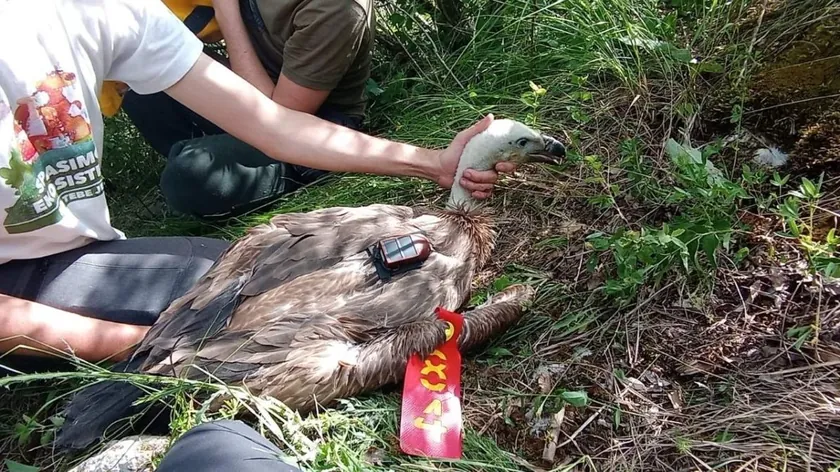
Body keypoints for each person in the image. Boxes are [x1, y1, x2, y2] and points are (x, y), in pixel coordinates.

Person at [0, 0, 515, 368]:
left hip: (67, 255)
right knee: (244, 320)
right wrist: (157, 351)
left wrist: (433, 164)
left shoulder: (107, 11)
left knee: (259, 286)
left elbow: (273, 122)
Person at [106, 0, 378, 219]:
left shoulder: (337, 8)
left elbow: (278, 121)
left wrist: (227, 12)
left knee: (190, 175)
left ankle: (300, 175)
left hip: (308, 127)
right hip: (253, 90)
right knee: (142, 69)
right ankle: (214, 158)